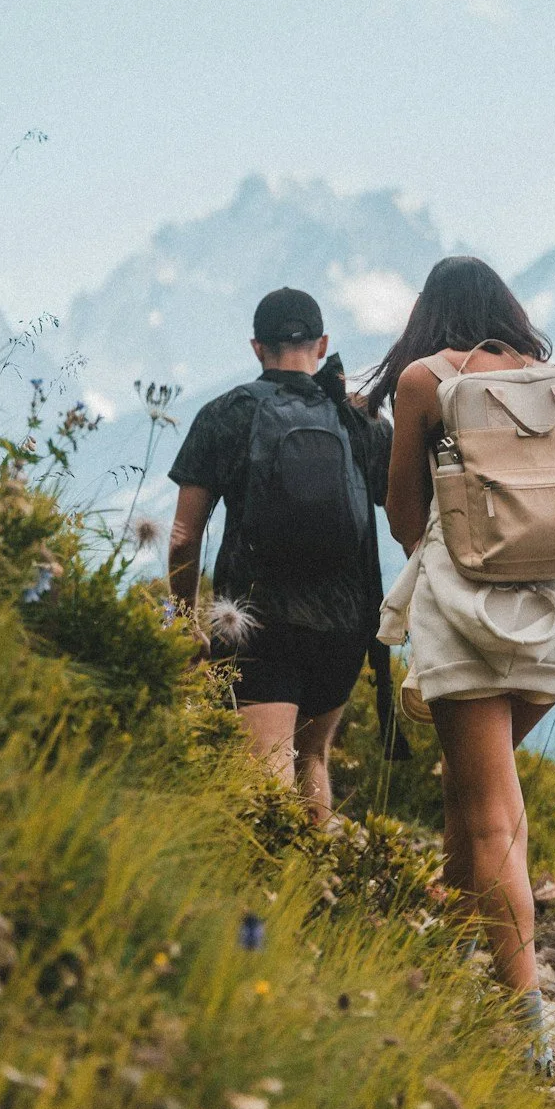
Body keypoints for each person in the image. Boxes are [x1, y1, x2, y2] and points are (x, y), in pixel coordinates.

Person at [370, 257, 555, 1061]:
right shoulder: (552, 379)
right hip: (550, 612)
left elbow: (402, 509)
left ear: (428, 313)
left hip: (463, 610)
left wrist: (437, 542)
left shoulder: (424, 380)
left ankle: (524, 1014)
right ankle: (451, 944)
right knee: (472, 793)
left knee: (490, 814)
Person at [168, 286, 389, 819]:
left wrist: (183, 615)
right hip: (344, 623)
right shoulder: (360, 423)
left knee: (264, 770)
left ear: (255, 347)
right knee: (312, 757)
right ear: (323, 344)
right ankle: (313, 892)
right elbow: (407, 518)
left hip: (255, 620)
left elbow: (181, 535)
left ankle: (265, 894)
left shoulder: (226, 414)